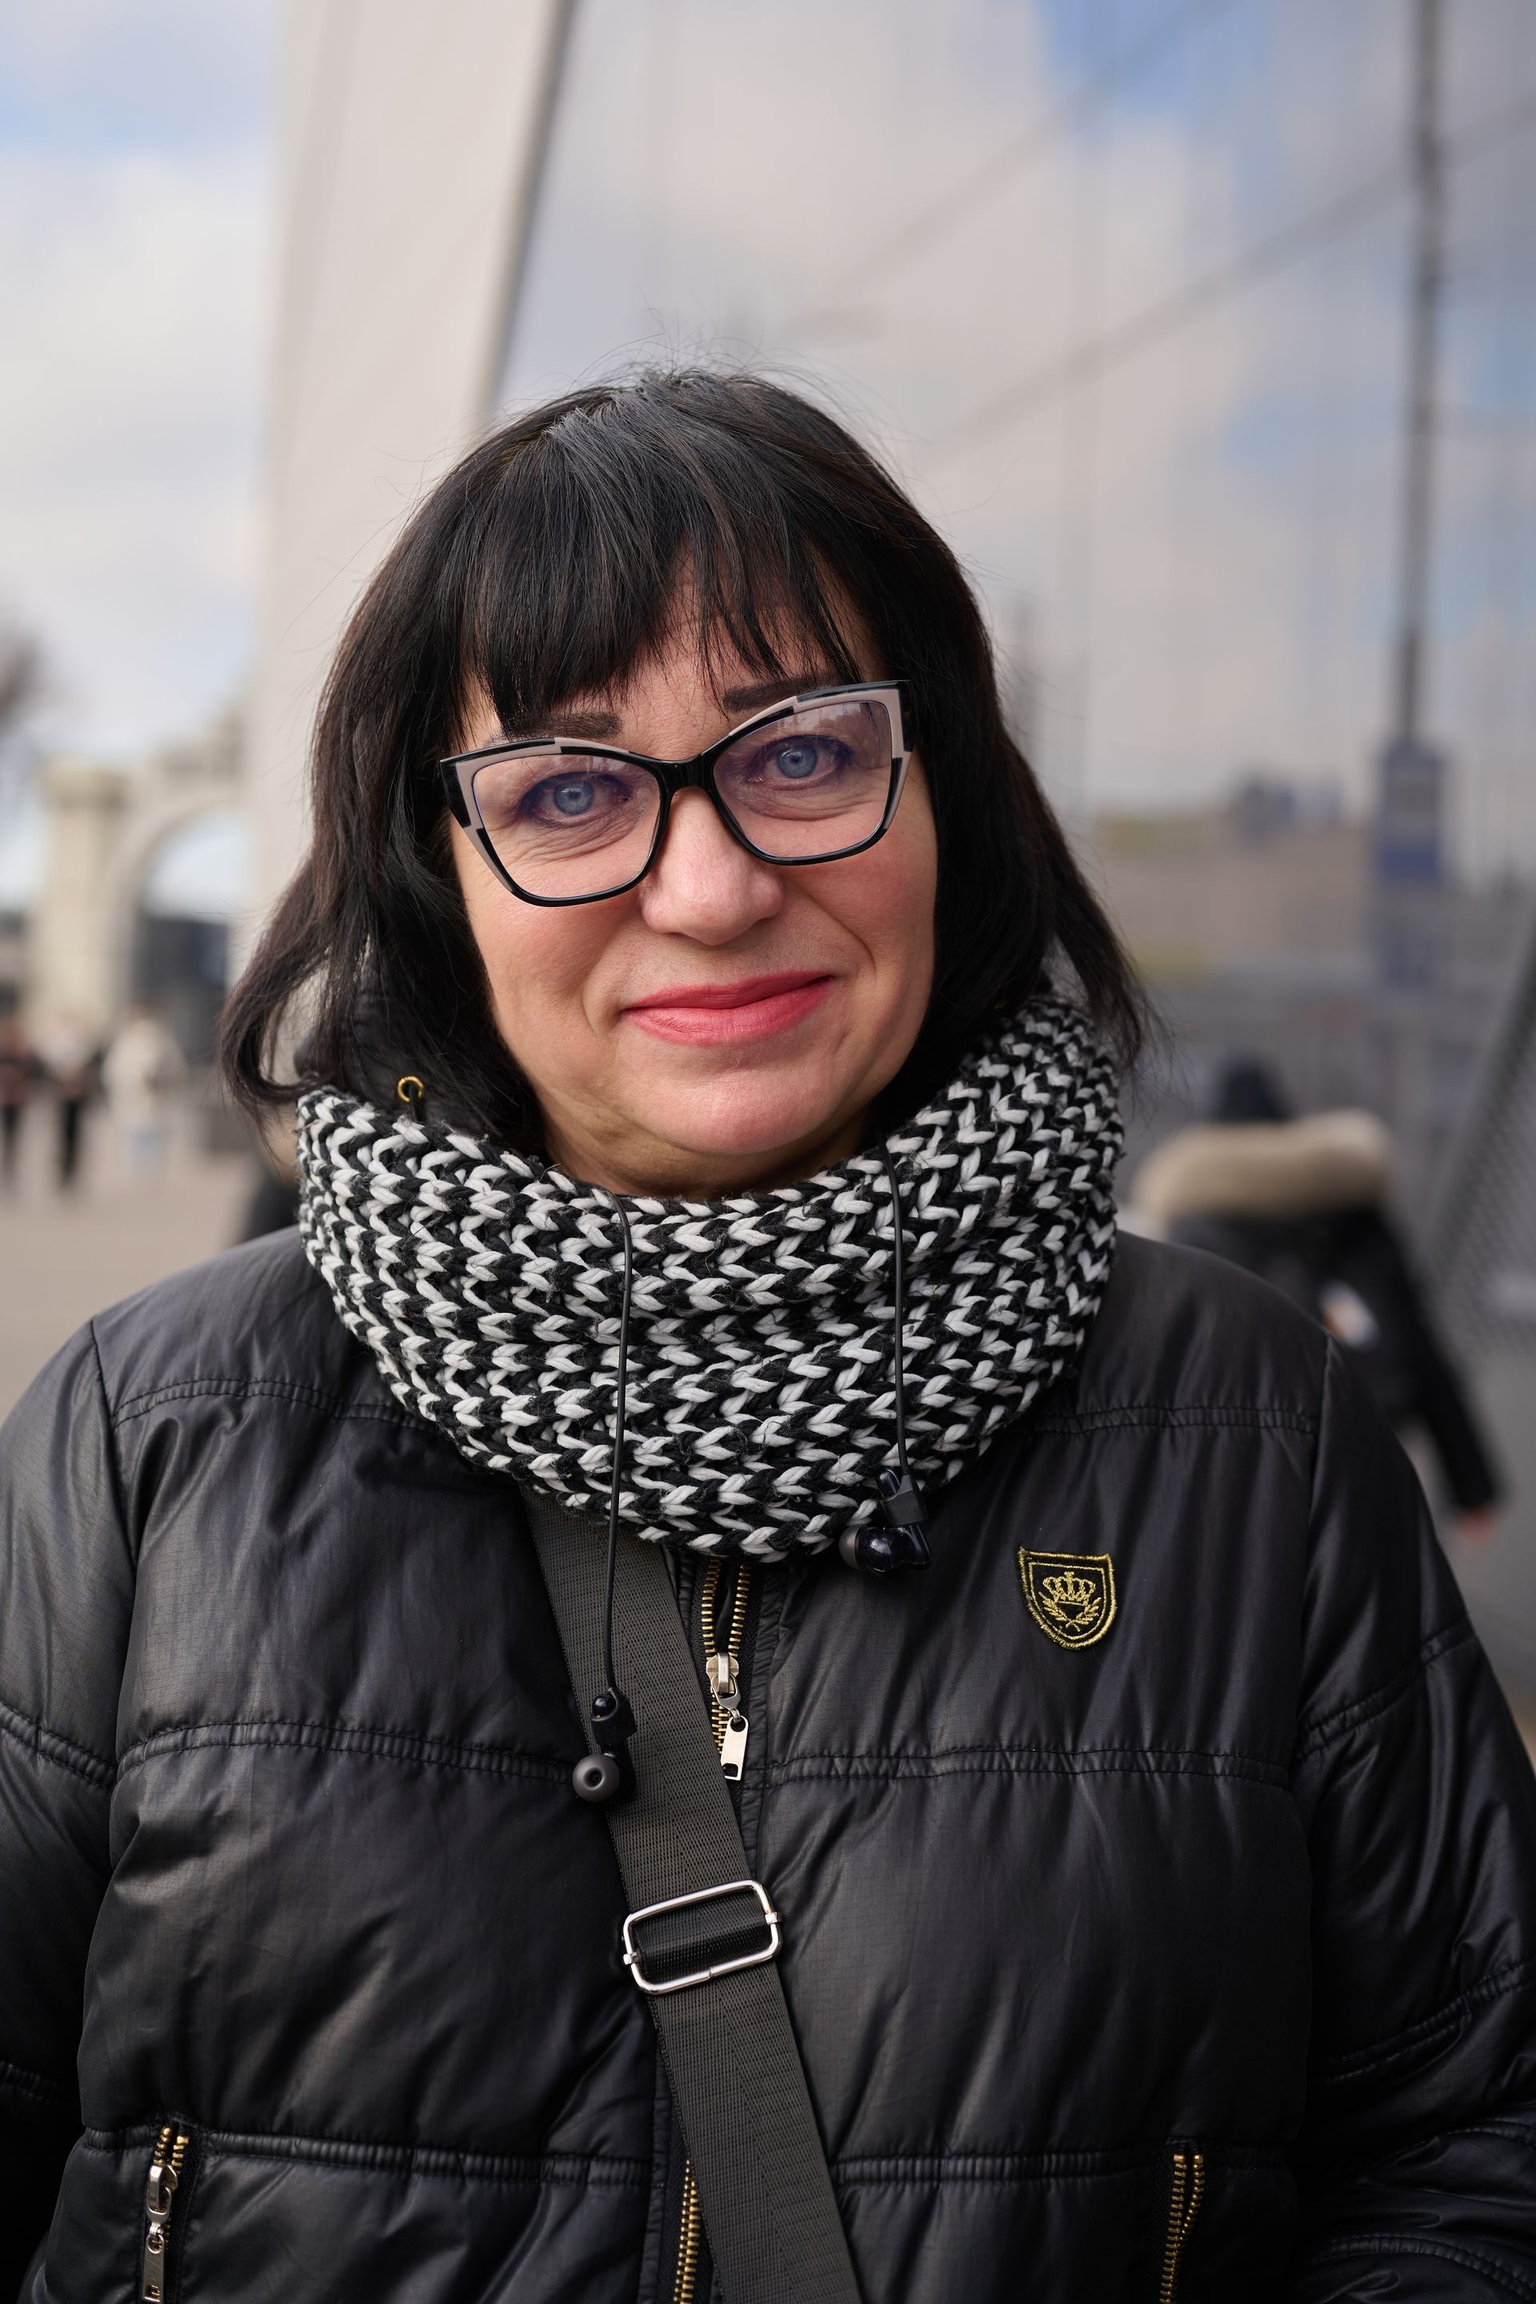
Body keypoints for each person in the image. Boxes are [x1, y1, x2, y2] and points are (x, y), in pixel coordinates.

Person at [1, 374, 1533, 2304]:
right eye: (568, 790)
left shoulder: (1254, 1436)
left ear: (945, 797)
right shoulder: (151, 1436)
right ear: (438, 866)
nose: (712, 887)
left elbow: (1472, 2147)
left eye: (802, 752)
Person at [1129, 1058, 1502, 1537]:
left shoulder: (1192, 1229)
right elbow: (1421, 1349)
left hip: (1236, 1465)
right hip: (1360, 1448)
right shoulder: (1355, 1215)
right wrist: (1473, 1485)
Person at [101, 1004, 186, 1177]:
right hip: (135, 1097)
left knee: (147, 1131)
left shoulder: (160, 1040)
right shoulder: (128, 1040)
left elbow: (175, 1068)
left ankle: (146, 1167)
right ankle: (144, 1167)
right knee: (139, 1130)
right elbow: (117, 1071)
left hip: (153, 1096)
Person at [32, 1011, 98, 1189]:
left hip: (78, 1096)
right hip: (61, 1095)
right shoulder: (55, 1044)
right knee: (60, 1133)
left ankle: (72, 1169)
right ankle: (61, 1168)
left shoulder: (84, 1045)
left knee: (75, 1134)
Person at [0, 1008, 37, 1185]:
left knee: (13, 1134)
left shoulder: (24, 1053)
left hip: (16, 1097)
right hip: (4, 1096)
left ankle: (10, 1167)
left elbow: (32, 1074)